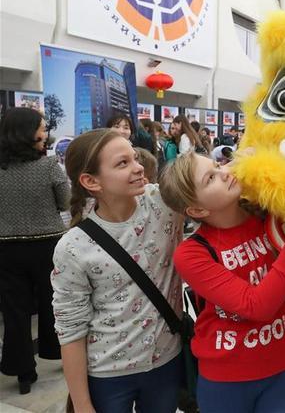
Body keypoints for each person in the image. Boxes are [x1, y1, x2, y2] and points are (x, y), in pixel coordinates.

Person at [159, 151, 285, 413]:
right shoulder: (192, 253)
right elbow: (256, 306)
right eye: (210, 178)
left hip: (282, 370)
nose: (225, 173)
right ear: (197, 210)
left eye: (218, 165)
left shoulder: (270, 221)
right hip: (225, 380)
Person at [51, 129, 185, 413]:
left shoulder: (165, 203)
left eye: (135, 158)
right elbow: (71, 330)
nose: (138, 167)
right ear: (91, 181)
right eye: (123, 163)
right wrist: (82, 404)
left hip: (166, 361)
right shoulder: (73, 247)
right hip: (108, 373)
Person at [0, 107, 69, 394]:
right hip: (48, 245)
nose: (45, 133)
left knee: (14, 310)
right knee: (53, 303)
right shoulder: (50, 166)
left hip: (6, 248)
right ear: (28, 133)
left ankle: (23, 371)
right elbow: (64, 201)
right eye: (41, 128)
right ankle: (58, 352)